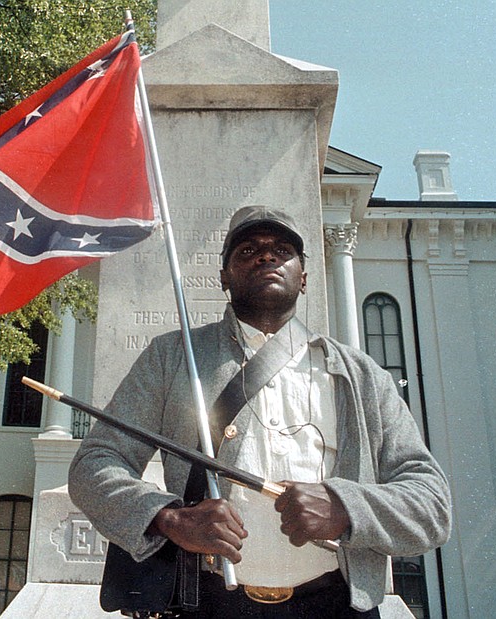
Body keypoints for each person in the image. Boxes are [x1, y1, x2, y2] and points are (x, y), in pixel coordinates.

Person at [69, 205, 451, 618]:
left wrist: (344, 507)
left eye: (283, 250)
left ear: (304, 277)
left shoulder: (360, 375)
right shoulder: (172, 357)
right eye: (248, 250)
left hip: (338, 605)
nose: (266, 256)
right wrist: (169, 518)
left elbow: (431, 504)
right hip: (210, 604)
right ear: (224, 277)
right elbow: (94, 464)